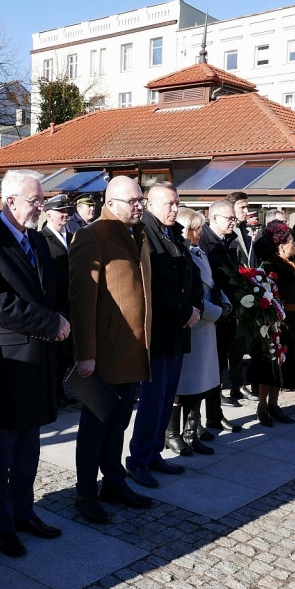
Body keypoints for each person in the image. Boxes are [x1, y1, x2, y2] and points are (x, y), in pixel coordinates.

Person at [0, 170, 69, 557]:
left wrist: (60, 323)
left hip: (39, 356)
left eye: (41, 200)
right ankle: (1, 523)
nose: (41, 206)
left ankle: (25, 512)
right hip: (7, 362)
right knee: (2, 449)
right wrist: (50, 322)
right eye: (35, 200)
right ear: (10, 201)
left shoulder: (38, 240)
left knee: (29, 446)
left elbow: (53, 291)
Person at [69, 175, 153, 524]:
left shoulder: (138, 233)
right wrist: (85, 353)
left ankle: (114, 482)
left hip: (133, 349)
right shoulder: (92, 236)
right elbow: (81, 300)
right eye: (133, 201)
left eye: (140, 200)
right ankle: (86, 493)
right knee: (95, 426)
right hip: (105, 352)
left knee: (119, 423)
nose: (139, 205)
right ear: (112, 202)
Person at [126, 182, 201, 489]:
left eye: (177, 202)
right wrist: (185, 311)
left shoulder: (172, 232)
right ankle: (138, 459)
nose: (175, 208)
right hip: (159, 331)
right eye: (169, 203)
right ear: (151, 204)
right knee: (153, 399)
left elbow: (191, 274)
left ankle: (155, 453)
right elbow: (150, 285)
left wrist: (194, 307)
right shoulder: (143, 234)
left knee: (167, 397)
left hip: (178, 331)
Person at [171, 207, 227, 456]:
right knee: (184, 385)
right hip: (193, 325)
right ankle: (172, 433)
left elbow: (212, 285)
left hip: (206, 328)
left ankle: (192, 432)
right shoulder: (184, 254)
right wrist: (215, 311)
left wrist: (226, 304)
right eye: (195, 228)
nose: (199, 232)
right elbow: (194, 295)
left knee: (201, 383)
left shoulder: (199, 251)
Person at [198, 200, 245, 429]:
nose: (233, 223)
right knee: (208, 368)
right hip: (210, 314)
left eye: (234, 219)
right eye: (229, 219)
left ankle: (214, 416)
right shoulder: (205, 242)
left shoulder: (226, 240)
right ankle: (204, 418)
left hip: (225, 313)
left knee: (218, 366)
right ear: (214, 218)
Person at [249, 221, 295, 426]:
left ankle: (274, 404)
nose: (294, 245)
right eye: (290, 241)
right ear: (281, 245)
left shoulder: (291, 263)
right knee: (268, 365)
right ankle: (262, 407)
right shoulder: (270, 265)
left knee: (282, 364)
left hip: (292, 322)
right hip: (274, 324)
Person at [41, 194, 75, 404]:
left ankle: (59, 391)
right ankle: (51, 393)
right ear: (49, 213)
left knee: (66, 352)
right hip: (55, 304)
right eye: (61, 211)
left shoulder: (72, 237)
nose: (65, 215)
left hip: (71, 302)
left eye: (68, 211)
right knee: (54, 353)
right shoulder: (43, 238)